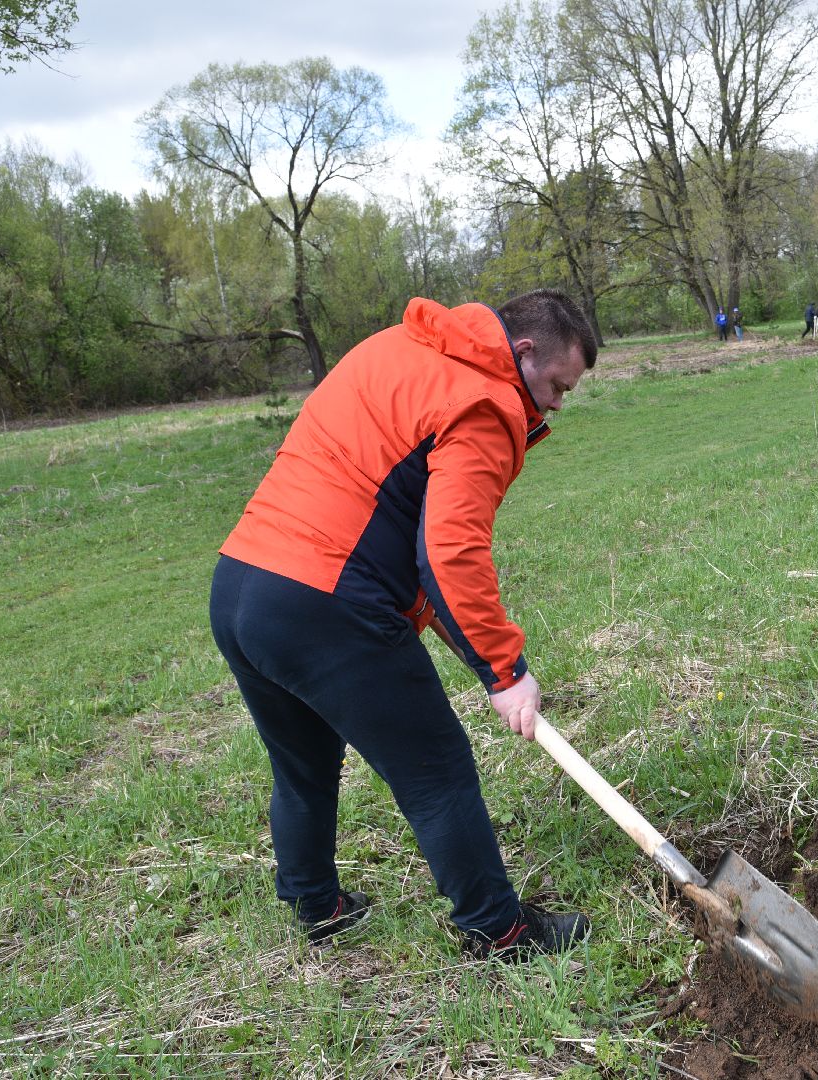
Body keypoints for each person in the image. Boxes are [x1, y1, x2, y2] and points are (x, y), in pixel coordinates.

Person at [210, 289, 596, 957]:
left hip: (243, 584)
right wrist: (504, 671)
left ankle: (316, 904)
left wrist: (475, 652)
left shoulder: (401, 347)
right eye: (557, 384)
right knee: (437, 769)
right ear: (523, 351)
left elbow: (389, 517)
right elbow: (449, 551)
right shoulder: (485, 400)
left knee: (303, 764)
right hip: (326, 599)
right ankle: (500, 931)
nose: (558, 403)